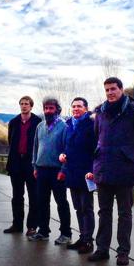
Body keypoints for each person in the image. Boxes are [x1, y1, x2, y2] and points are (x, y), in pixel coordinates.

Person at [87, 77, 134, 266]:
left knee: (124, 213)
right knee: (104, 212)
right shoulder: (100, 111)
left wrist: (130, 153)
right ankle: (102, 249)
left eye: (113, 89)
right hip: (104, 169)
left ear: (121, 89)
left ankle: (123, 252)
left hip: (125, 168)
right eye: (107, 90)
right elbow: (97, 136)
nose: (110, 93)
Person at [28, 97, 72, 245]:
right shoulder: (40, 126)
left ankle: (66, 234)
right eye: (46, 108)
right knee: (42, 202)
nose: (48, 111)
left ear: (57, 110)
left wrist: (63, 170)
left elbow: (67, 150)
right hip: (41, 170)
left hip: (57, 171)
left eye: (51, 108)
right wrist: (35, 166)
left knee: (61, 203)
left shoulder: (64, 127)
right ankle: (43, 231)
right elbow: (35, 147)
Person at [58, 97, 96, 254]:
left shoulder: (92, 125)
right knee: (78, 208)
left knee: (87, 208)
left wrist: (94, 170)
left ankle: (88, 241)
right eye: (73, 106)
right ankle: (82, 238)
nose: (76, 109)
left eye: (79, 106)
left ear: (86, 108)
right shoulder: (69, 125)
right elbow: (66, 147)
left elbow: (96, 149)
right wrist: (63, 155)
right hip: (72, 172)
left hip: (87, 174)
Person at [3, 96, 42, 236]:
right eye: (22, 104)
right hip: (16, 163)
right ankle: (17, 224)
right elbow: (10, 141)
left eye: (27, 104)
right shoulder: (13, 122)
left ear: (31, 106)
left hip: (31, 163)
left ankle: (32, 226)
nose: (24, 106)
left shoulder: (38, 122)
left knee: (34, 196)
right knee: (17, 196)